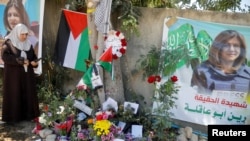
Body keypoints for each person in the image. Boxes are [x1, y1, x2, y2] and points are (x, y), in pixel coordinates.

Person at [1, 23, 40, 123]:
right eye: (22, 34)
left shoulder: (28, 44)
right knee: (15, 94)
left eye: (26, 34)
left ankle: (29, 115)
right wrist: (21, 61)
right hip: (14, 76)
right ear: (17, 33)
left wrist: (34, 62)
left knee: (28, 93)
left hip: (27, 76)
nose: (25, 36)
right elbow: (5, 57)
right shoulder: (8, 44)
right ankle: (13, 117)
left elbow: (33, 57)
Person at [191, 30, 250, 94]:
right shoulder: (201, 71)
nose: (231, 49)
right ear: (217, 47)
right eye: (226, 45)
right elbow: (195, 99)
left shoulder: (248, 73)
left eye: (236, 45)